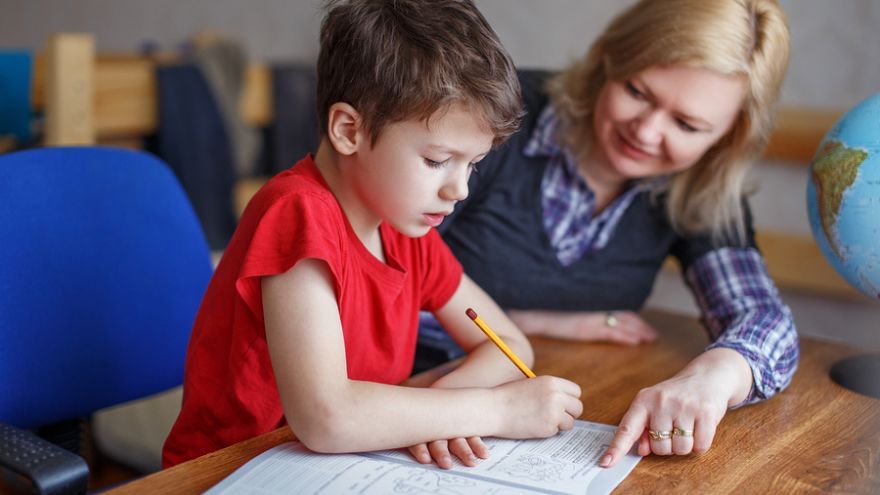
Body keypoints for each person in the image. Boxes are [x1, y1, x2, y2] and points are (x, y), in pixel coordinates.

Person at [162, 0, 583, 469]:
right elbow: (327, 417)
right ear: (349, 130)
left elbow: (507, 344)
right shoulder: (298, 214)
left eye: (474, 164)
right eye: (437, 160)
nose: (459, 189)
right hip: (229, 471)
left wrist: (433, 415)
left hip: (343, 464)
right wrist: (496, 409)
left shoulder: (407, 230)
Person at [424, 0, 799, 468]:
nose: (645, 131)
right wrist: (530, 321)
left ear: (725, 137)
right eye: (638, 91)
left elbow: (762, 316)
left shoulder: (701, 187)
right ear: (608, 56)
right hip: (410, 384)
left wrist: (717, 374)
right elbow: (373, 279)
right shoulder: (495, 113)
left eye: (686, 124)